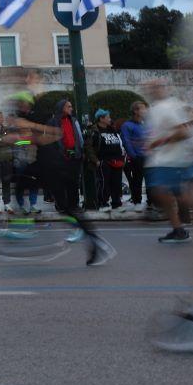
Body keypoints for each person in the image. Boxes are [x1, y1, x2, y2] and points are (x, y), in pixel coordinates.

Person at [11, 96, 114, 264]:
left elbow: (46, 137)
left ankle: (94, 241)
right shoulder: (38, 118)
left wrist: (23, 134)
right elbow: (36, 139)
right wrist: (19, 139)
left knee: (68, 207)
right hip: (48, 165)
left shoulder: (40, 117)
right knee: (64, 207)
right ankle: (94, 241)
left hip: (55, 167)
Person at [144, 81, 193, 244]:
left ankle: (178, 229)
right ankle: (178, 229)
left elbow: (183, 132)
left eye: (155, 87)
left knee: (164, 193)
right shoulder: (154, 109)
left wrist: (159, 142)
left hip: (171, 160)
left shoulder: (169, 106)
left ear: (163, 88)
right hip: (162, 160)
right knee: (169, 194)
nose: (152, 90)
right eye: (149, 88)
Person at [87, 109, 127, 211]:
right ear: (101, 119)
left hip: (117, 161)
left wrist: (122, 157)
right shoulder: (94, 131)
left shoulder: (112, 129)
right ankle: (103, 203)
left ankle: (116, 203)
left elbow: (120, 142)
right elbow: (89, 147)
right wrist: (96, 161)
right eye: (108, 117)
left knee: (117, 183)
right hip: (103, 161)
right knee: (104, 183)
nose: (110, 119)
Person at [121, 101, 150, 210]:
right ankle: (137, 202)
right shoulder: (127, 125)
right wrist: (134, 156)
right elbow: (126, 142)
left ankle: (150, 201)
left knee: (150, 180)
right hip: (137, 158)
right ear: (135, 111)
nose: (145, 111)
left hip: (148, 157)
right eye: (142, 108)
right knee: (137, 181)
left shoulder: (144, 124)